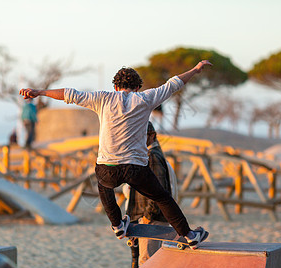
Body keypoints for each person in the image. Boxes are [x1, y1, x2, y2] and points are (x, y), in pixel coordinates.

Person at [20, 60, 212, 249]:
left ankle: (117, 225)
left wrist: (39, 92)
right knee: (162, 198)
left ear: (115, 86)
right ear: (137, 87)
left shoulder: (103, 98)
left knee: (103, 185)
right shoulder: (146, 98)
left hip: (108, 168)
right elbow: (174, 83)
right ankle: (189, 235)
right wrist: (195, 70)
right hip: (136, 169)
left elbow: (69, 94)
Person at [125, 121, 172, 268]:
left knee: (147, 263)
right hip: (149, 218)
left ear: (152, 136)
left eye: (141, 135)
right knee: (147, 261)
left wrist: (148, 216)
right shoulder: (149, 154)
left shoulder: (152, 156)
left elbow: (159, 189)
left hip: (152, 219)